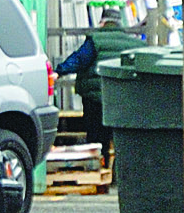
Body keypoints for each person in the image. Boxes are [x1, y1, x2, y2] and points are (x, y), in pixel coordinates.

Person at [54, 8, 143, 157]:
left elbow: (79, 60)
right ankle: (115, 172)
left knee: (96, 138)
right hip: (123, 98)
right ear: (119, 23)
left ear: (102, 23)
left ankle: (98, 165)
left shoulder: (96, 40)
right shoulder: (135, 44)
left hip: (95, 99)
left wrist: (59, 71)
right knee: (119, 138)